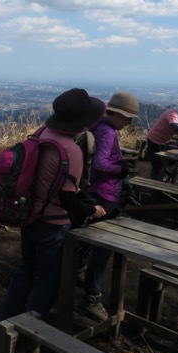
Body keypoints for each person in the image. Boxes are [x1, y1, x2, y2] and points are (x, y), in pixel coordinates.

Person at [0, 88, 107, 321]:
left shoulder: (42, 134)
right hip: (53, 224)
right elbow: (68, 199)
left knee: (25, 271)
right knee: (46, 280)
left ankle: (6, 320)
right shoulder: (72, 151)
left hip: (28, 214)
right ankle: (29, 331)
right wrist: (92, 210)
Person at [75, 91, 140, 321]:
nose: (130, 122)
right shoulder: (108, 132)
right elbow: (101, 164)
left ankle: (79, 271)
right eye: (129, 118)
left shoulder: (97, 126)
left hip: (92, 191)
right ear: (119, 115)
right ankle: (91, 297)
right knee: (102, 248)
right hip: (104, 194)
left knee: (88, 240)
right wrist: (120, 170)